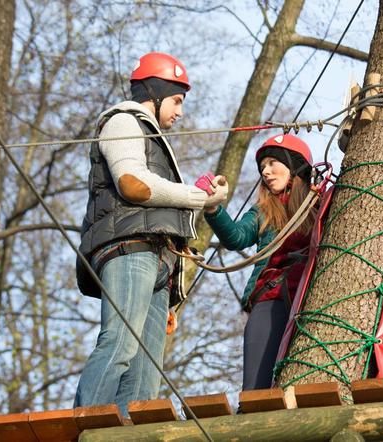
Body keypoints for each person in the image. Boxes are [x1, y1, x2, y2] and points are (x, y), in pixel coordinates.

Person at [74, 52, 227, 415]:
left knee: (147, 373)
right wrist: (198, 197)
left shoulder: (152, 135)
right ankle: (80, 424)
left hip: (160, 261)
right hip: (130, 250)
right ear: (155, 94)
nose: (180, 112)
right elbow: (132, 184)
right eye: (176, 101)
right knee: (120, 343)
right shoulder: (123, 121)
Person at [202, 134, 316, 391]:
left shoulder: (320, 204)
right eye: (262, 166)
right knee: (256, 388)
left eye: (273, 163)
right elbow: (236, 237)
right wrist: (213, 209)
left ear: (294, 166)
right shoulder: (263, 210)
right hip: (272, 298)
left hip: (311, 296)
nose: (265, 171)